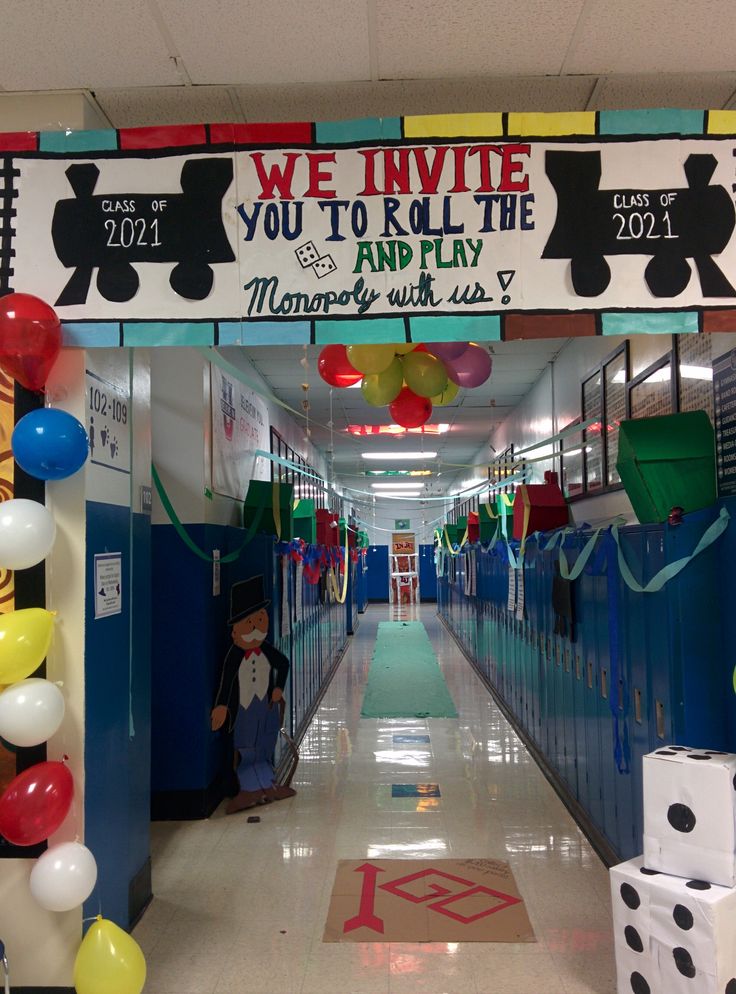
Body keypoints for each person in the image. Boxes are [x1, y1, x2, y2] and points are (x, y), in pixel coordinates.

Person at [211, 575, 296, 814]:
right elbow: (227, 681)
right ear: (235, 631)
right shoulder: (235, 656)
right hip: (244, 710)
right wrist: (221, 706)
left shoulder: (267, 650)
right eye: (249, 623)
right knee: (246, 746)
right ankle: (248, 789)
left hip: (266, 707)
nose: (256, 627)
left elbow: (284, 663)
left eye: (260, 619)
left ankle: (268, 784)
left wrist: (278, 688)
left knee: (265, 744)